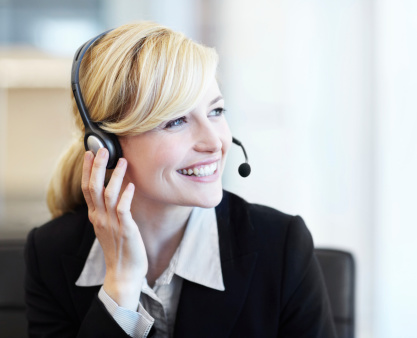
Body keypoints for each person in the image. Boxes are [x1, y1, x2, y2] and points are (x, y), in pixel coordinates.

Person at [24, 22, 336, 338]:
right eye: (176, 120)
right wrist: (121, 286)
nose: (214, 142)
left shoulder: (281, 247)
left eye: (216, 111)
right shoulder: (50, 253)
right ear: (106, 145)